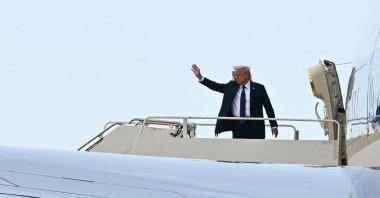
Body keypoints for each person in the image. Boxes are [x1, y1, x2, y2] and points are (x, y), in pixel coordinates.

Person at [191, 64, 279, 139]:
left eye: (238, 75)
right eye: (235, 75)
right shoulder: (231, 86)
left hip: (255, 126)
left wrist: (273, 125)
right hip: (238, 125)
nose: (236, 77)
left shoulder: (259, 88)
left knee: (255, 155)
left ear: (246, 75)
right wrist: (200, 77)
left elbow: (268, 107)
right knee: (239, 153)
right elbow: (215, 86)